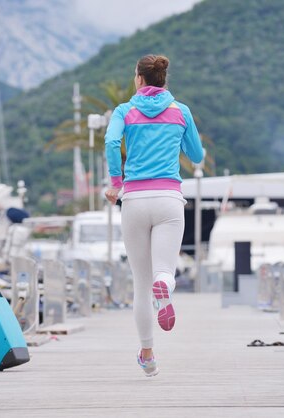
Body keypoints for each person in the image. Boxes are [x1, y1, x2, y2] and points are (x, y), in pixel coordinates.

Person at [104, 54, 204, 377]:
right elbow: (197, 155)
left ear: (139, 78)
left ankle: (147, 355)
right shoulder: (180, 112)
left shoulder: (125, 111)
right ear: (163, 79)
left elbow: (110, 141)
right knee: (164, 272)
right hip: (168, 200)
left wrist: (116, 183)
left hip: (134, 200)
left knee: (140, 283)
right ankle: (166, 284)